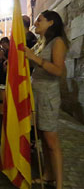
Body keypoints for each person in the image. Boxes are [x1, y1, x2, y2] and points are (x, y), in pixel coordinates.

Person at [24, 10, 69, 189]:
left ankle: (59, 183)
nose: (35, 24)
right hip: (38, 95)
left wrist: (34, 58)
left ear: (51, 22)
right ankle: (48, 175)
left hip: (48, 97)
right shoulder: (42, 42)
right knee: (43, 137)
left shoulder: (57, 42)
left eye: (39, 21)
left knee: (52, 141)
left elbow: (58, 70)